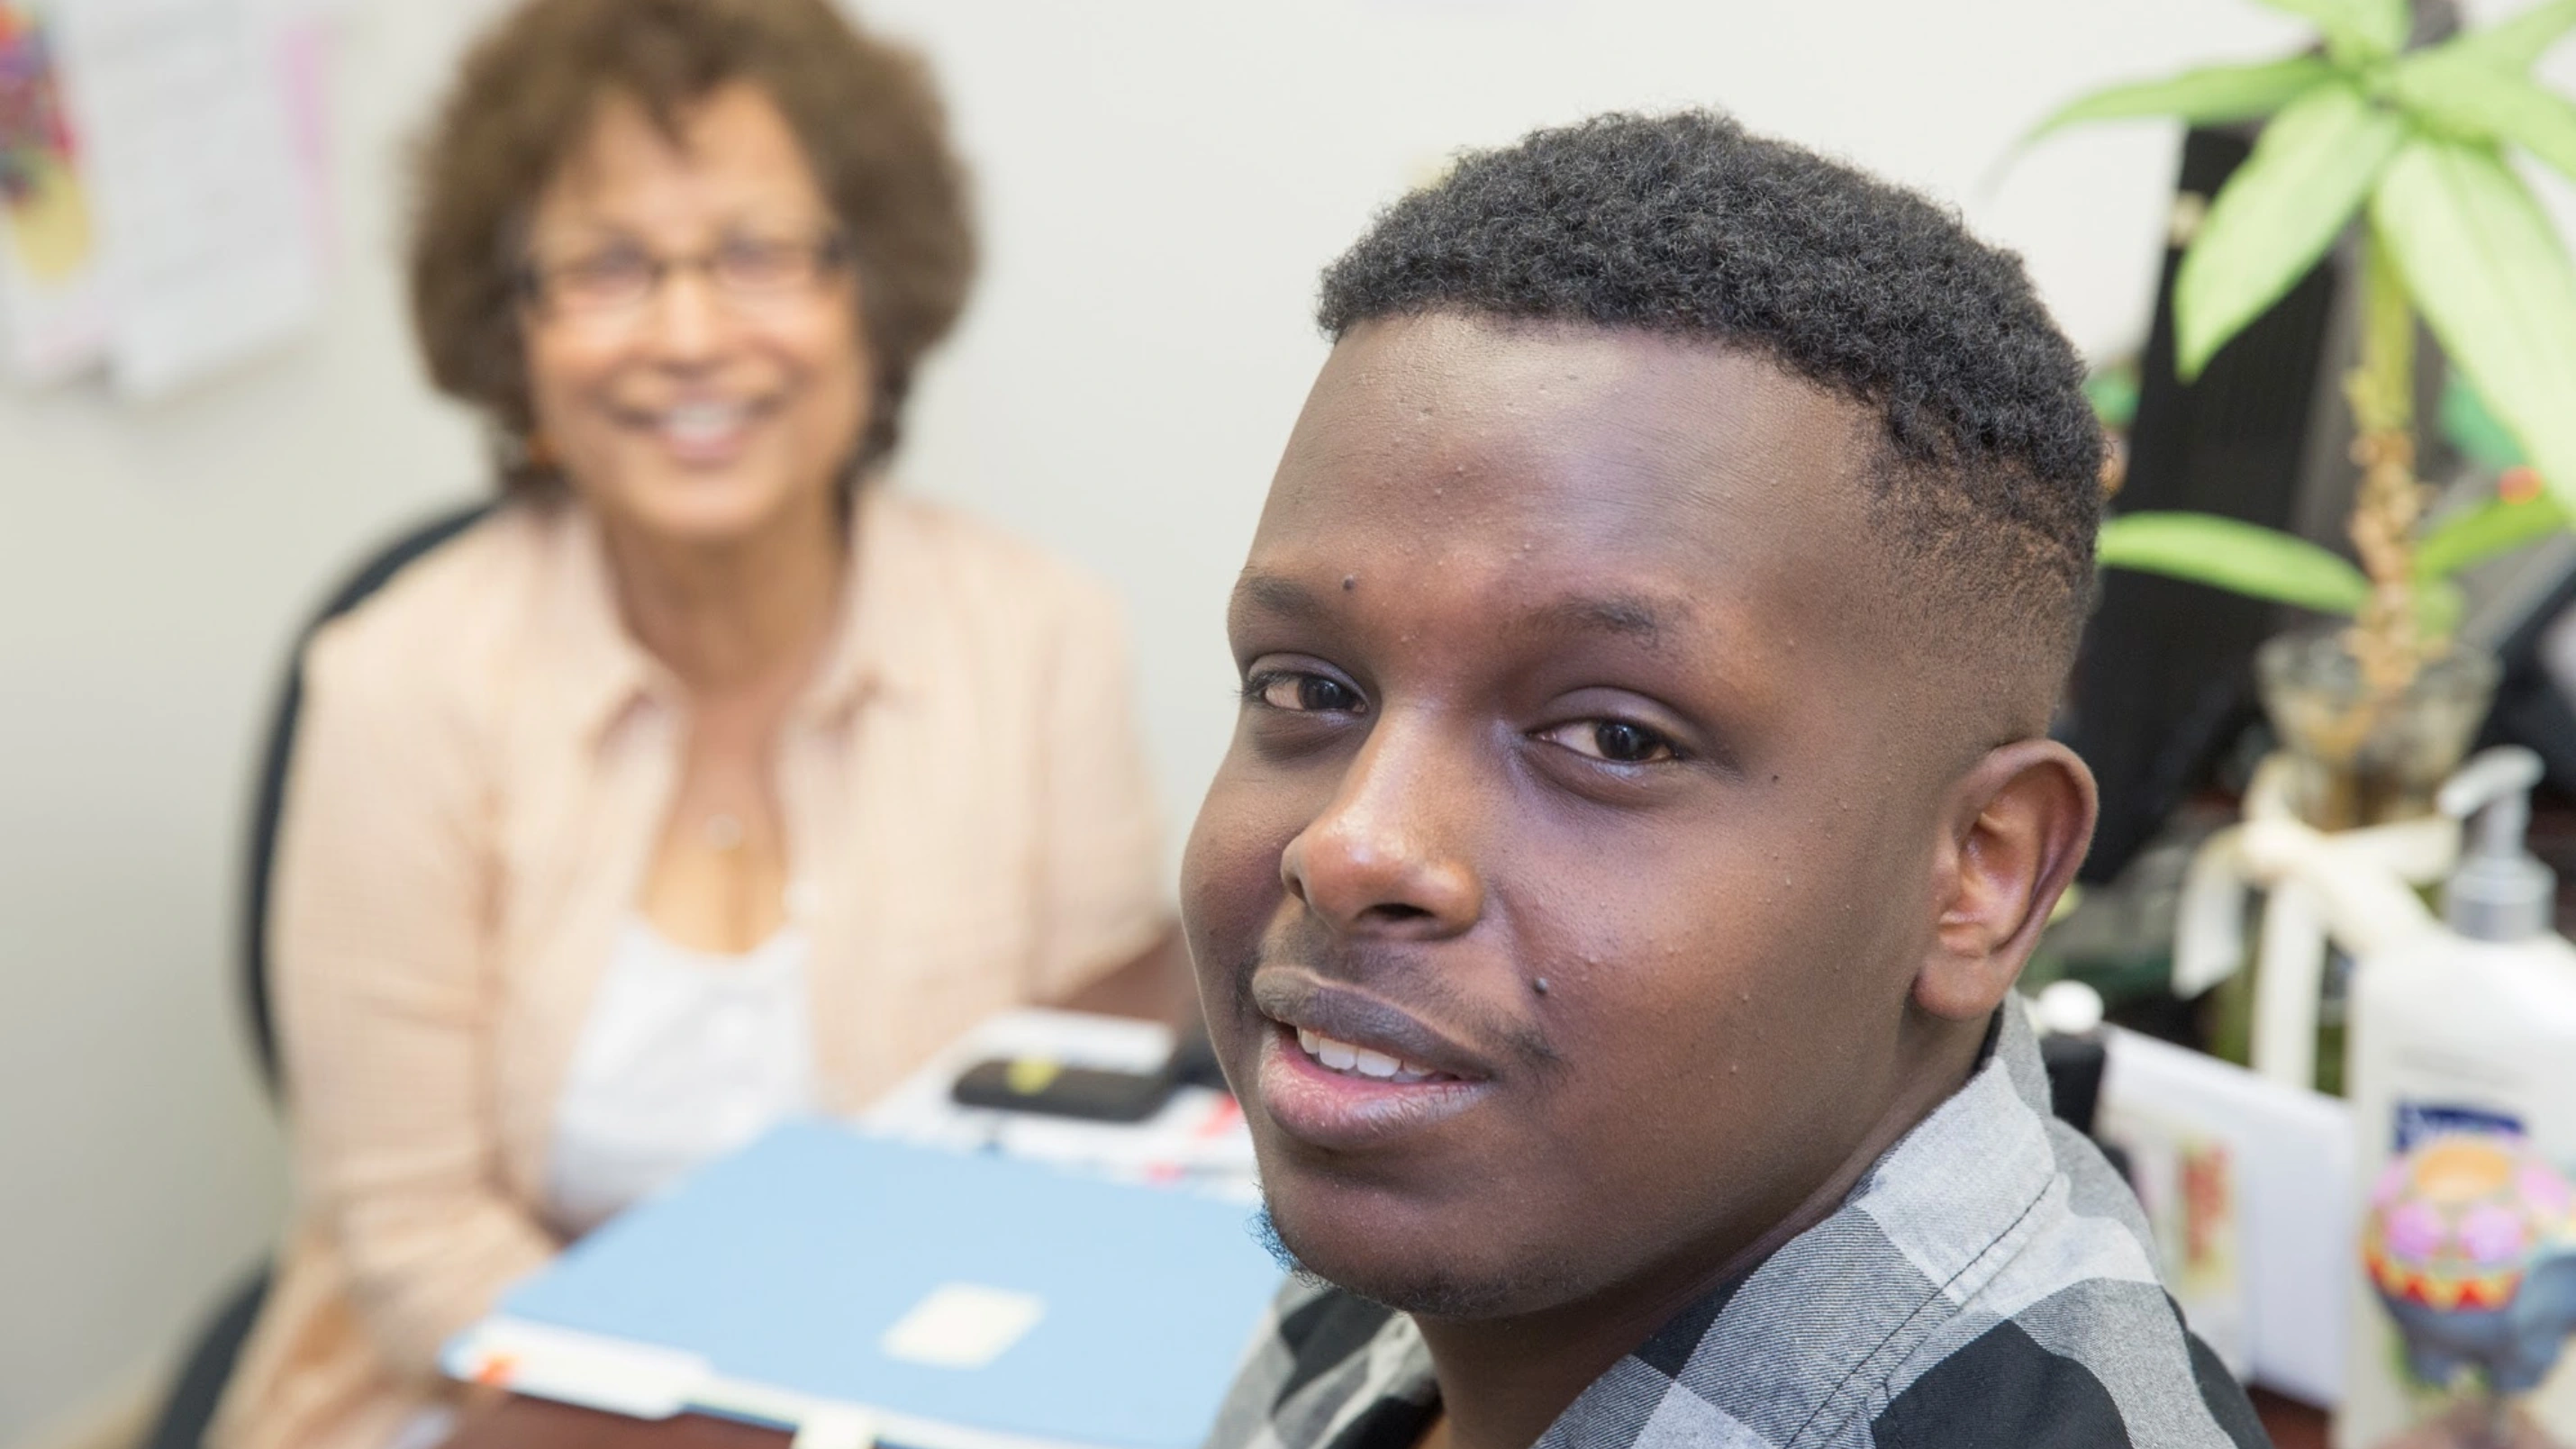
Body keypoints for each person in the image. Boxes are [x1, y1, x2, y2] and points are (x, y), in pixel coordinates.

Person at [1184, 112, 2269, 1449]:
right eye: (1307, 689)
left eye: (1616, 739)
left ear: (1979, 873)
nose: (1353, 847)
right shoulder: (1462, 1231)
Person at [212, 4, 1172, 1448]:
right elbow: (413, 1236)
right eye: (605, 267)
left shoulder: (1043, 641)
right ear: (515, 332)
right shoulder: (397, 680)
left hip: (920, 1378)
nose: (688, 335)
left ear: (874, 293)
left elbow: (1077, 1134)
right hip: (500, 1386)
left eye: (759, 253)